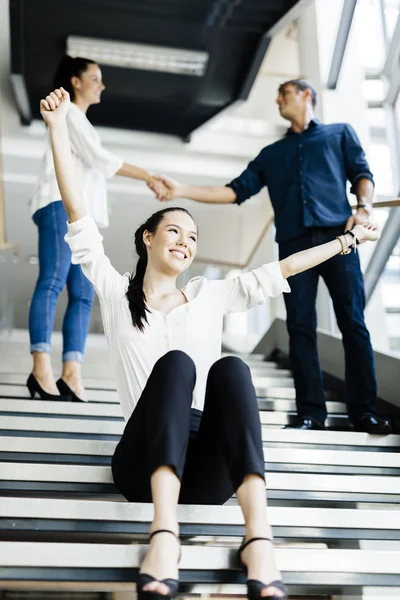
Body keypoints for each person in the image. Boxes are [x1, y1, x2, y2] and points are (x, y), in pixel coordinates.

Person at [41, 86, 380, 600]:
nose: (185, 241)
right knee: (177, 363)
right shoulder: (114, 291)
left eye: (193, 238)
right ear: (147, 239)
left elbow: (283, 267)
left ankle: (259, 539)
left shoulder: (209, 296)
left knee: (232, 370)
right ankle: (163, 534)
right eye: (174, 230)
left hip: (208, 470)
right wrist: (57, 128)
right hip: (141, 458)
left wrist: (348, 240)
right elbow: (77, 209)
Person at [149, 79, 392, 435]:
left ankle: (364, 413)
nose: (278, 100)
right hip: (294, 246)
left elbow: (362, 175)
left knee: (353, 323)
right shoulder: (270, 154)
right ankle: (311, 414)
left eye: (284, 93)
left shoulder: (340, 133)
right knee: (299, 328)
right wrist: (180, 189)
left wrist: (365, 209)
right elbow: (234, 191)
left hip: (340, 238)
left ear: (306, 95)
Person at [27, 55, 167, 402]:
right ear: (76, 81)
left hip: (83, 215)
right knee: (53, 281)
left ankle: (72, 374)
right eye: (95, 78)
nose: (101, 85)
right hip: (59, 204)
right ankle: (40, 367)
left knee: (84, 294)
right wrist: (149, 175)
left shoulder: (83, 122)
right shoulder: (69, 113)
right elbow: (101, 161)